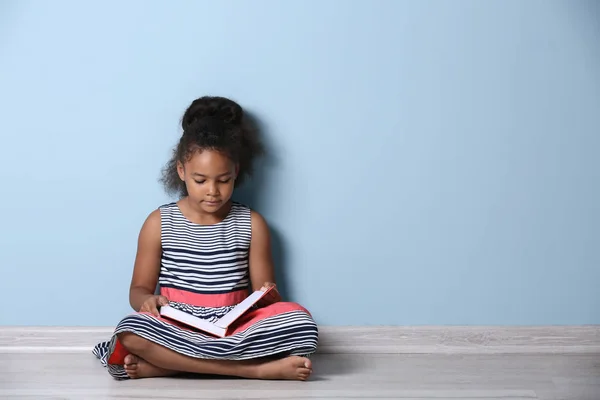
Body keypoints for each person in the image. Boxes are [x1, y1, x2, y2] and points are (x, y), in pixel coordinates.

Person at [93, 96, 319, 381]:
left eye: (223, 180)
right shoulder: (159, 223)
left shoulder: (252, 224)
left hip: (233, 325)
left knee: (300, 321)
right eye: (201, 180)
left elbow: (266, 299)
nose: (212, 190)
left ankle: (171, 366)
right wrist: (147, 301)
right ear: (181, 171)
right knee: (130, 331)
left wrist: (266, 296)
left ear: (236, 171)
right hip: (177, 324)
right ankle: (254, 370)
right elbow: (138, 289)